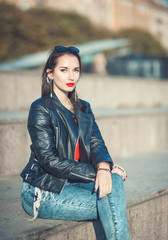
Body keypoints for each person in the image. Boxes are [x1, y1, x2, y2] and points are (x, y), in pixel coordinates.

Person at [21, 46, 130, 240]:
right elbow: (49, 160)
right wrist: (96, 172)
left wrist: (104, 167)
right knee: (112, 205)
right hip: (45, 189)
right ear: (50, 73)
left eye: (76, 70)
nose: (71, 76)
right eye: (64, 70)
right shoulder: (41, 108)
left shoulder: (83, 107)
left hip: (75, 182)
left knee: (112, 183)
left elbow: (96, 142)